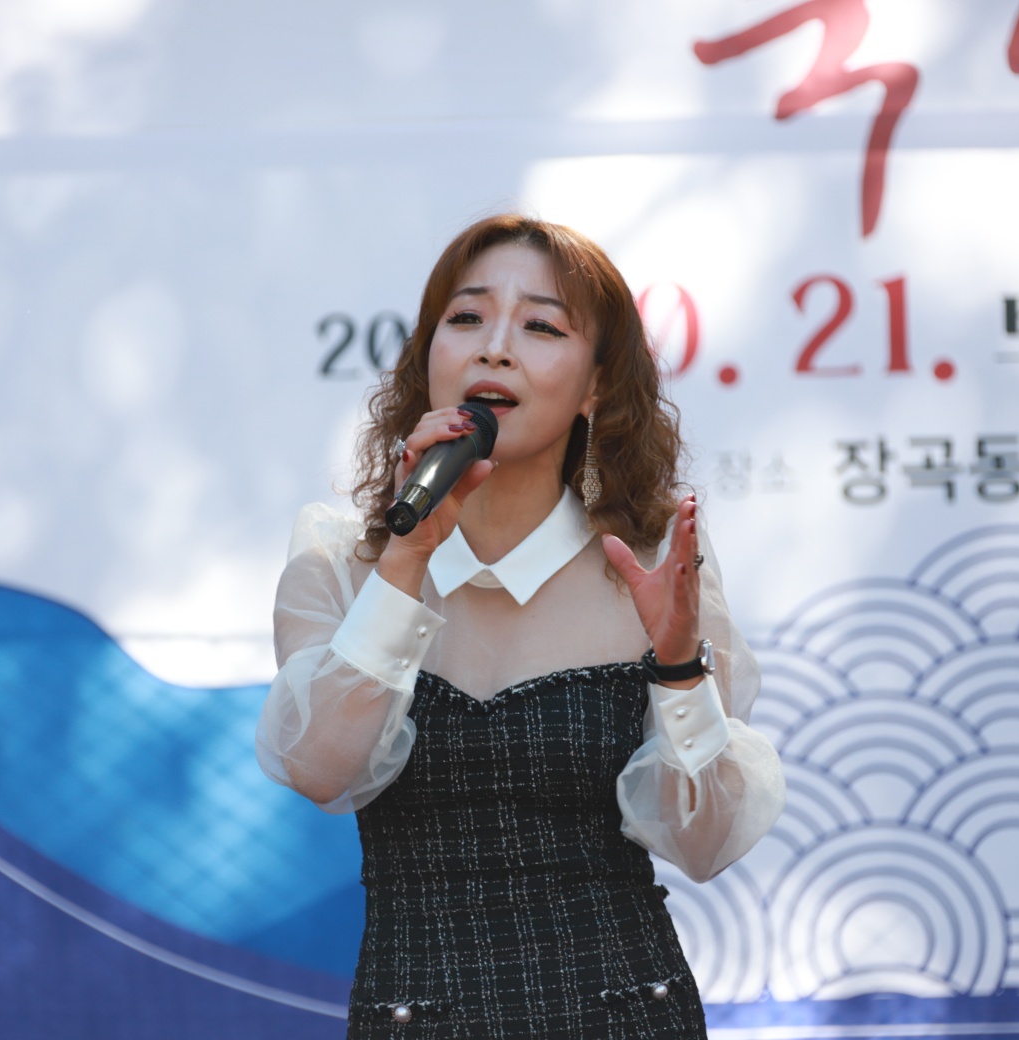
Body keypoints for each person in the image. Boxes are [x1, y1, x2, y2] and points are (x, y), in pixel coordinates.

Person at [257, 215, 785, 1038]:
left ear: (597, 386)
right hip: (417, 1019)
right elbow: (320, 768)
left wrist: (680, 667)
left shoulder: (646, 565)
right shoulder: (344, 557)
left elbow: (705, 843)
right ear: (428, 357)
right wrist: (406, 561)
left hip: (624, 1015)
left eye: (541, 326)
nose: (494, 349)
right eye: (467, 318)